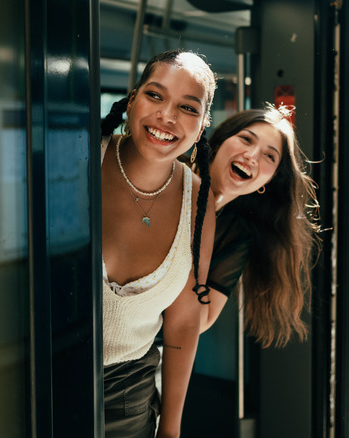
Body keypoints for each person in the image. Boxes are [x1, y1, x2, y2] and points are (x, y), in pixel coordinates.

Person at [99, 49, 217, 438]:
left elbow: (183, 322)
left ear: (201, 127)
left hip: (128, 395)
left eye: (187, 107)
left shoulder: (199, 204)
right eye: (155, 95)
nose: (167, 115)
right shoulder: (80, 157)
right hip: (37, 377)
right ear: (132, 100)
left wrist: (170, 427)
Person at [194, 106, 319, 347]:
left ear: (269, 181)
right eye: (246, 139)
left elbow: (202, 321)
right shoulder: (171, 177)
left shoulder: (236, 235)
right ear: (220, 141)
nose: (251, 156)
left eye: (269, 156)